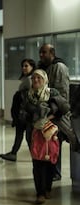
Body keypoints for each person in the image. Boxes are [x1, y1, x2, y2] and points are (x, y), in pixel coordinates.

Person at [23, 69, 70, 204]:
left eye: (39, 78)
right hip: (34, 133)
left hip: (52, 134)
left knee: (50, 163)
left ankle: (47, 188)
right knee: (37, 163)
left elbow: (64, 108)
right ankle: (40, 193)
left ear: (45, 80)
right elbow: (22, 113)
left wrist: (49, 117)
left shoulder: (52, 93)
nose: (36, 80)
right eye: (34, 78)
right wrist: (33, 119)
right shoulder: (28, 96)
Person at [38, 43, 70, 181]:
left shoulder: (59, 67)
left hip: (57, 114)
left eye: (44, 52)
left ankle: (55, 172)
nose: (41, 55)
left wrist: (55, 111)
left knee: (55, 142)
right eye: (40, 52)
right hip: (46, 113)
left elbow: (62, 93)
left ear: (52, 52)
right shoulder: (44, 68)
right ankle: (50, 171)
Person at [0, 58, 36, 161]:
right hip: (22, 112)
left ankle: (34, 155)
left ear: (32, 67)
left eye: (26, 66)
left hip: (25, 113)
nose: (24, 68)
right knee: (20, 134)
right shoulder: (26, 78)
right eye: (23, 66)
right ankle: (14, 153)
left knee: (28, 137)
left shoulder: (30, 80)